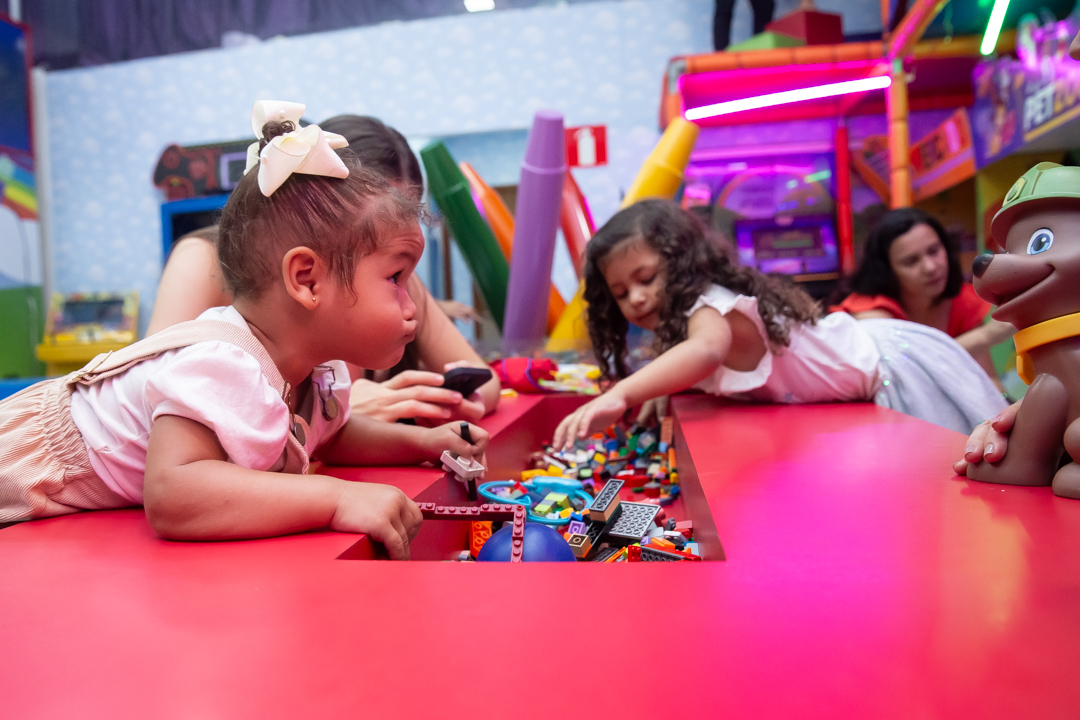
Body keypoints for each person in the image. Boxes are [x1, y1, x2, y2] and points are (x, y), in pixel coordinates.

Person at [0, 106, 490, 559]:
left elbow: (329, 436)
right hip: (23, 470)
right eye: (396, 279)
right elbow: (172, 493)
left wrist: (422, 445)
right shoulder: (222, 362)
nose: (412, 308)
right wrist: (338, 497)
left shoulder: (312, 374)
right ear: (307, 280)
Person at [552, 199, 1007, 448]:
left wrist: (625, 393)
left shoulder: (709, 305)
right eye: (619, 292)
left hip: (892, 366)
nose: (635, 298)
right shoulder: (693, 318)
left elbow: (706, 350)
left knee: (969, 461)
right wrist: (663, 388)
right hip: (875, 363)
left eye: (646, 278)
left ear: (680, 261)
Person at [146, 114, 500, 425]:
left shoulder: (397, 279)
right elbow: (157, 410)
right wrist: (345, 410)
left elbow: (484, 382)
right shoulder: (203, 261)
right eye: (379, 215)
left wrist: (446, 402)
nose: (395, 228)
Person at [833, 208, 1015, 387]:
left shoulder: (960, 300)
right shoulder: (869, 311)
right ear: (887, 271)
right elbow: (901, 372)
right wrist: (988, 335)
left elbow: (988, 381)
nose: (930, 267)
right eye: (911, 261)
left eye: (934, 251)